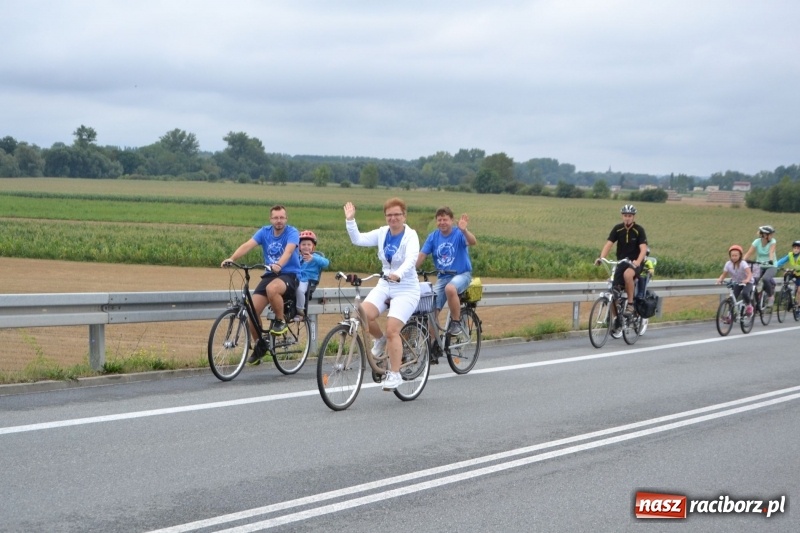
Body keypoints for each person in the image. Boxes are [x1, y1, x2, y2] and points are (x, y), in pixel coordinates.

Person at [344, 198, 420, 391]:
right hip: (385, 283)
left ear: (404, 216)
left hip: (406, 287)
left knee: (392, 329)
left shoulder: (410, 236)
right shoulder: (382, 233)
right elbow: (358, 239)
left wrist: (399, 274)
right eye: (389, 215)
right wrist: (350, 220)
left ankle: (394, 374)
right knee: (362, 314)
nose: (393, 218)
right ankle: (380, 340)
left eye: (397, 214)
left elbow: (411, 258)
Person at [221, 204, 301, 364]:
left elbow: (289, 251)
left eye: (282, 217)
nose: (279, 221)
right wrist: (232, 259)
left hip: (289, 275)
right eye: (276, 218)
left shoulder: (292, 232)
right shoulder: (264, 232)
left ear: (286, 218)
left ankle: (280, 321)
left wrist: (279, 264)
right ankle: (260, 346)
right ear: (270, 219)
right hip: (270, 274)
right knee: (251, 310)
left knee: (273, 289)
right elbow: (247, 245)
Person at [415, 206, 477, 336]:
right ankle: (433, 346)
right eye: (439, 220)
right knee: (430, 310)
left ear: (452, 220)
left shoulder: (458, 234)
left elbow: (472, 242)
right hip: (443, 277)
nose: (442, 223)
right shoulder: (433, 237)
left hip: (461, 275)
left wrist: (464, 230)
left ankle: (456, 322)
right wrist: (409, 271)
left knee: (450, 289)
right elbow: (421, 255)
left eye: (445, 219)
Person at [594, 204, 648, 316]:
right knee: (614, 291)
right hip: (622, 262)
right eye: (625, 215)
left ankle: (630, 304)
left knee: (628, 275)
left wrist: (637, 262)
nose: (627, 218)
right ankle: (616, 322)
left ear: (633, 217)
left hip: (635, 263)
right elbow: (609, 244)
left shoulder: (639, 230)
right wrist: (601, 258)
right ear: (622, 216)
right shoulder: (618, 229)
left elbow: (643, 249)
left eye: (629, 216)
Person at [295, 230, 330, 319]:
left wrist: (313, 258)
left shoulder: (316, 257)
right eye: (303, 244)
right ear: (299, 246)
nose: (306, 247)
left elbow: (326, 263)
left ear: (313, 247)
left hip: (308, 280)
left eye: (308, 244)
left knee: (299, 290)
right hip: (298, 279)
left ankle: (300, 310)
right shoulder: (298, 257)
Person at [716, 244, 754, 318]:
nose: (734, 257)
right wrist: (720, 279)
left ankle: (749, 306)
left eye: (736, 255)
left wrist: (747, 280)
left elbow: (749, 274)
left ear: (740, 255)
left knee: (745, 293)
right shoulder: (728, 264)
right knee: (732, 299)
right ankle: (729, 316)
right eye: (732, 255)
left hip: (748, 282)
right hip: (737, 282)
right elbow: (724, 275)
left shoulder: (743, 264)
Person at [743, 225, 777, 306]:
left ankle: (770, 296)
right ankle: (755, 301)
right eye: (770, 234)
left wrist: (771, 260)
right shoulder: (756, 242)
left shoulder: (773, 241)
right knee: (752, 281)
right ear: (764, 235)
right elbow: (749, 253)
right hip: (759, 265)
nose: (772, 236)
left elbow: (771, 252)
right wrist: (742, 261)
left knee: (765, 279)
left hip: (771, 265)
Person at [775, 239, 800, 310]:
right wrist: (775, 265)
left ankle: (799, 306)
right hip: (794, 272)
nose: (796, 250)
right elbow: (782, 261)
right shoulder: (790, 255)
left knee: (799, 291)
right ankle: (786, 290)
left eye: (798, 248)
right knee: (786, 274)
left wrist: (795, 269)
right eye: (794, 248)